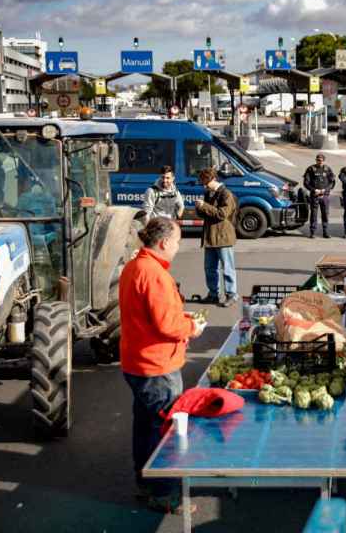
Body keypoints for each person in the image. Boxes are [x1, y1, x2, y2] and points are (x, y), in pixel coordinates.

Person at [120, 217, 207, 514]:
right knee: (166, 428)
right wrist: (191, 327)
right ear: (164, 243)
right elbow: (166, 324)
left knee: (144, 425)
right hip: (156, 364)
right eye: (178, 241)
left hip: (136, 361)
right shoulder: (154, 274)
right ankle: (165, 494)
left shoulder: (134, 267)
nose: (179, 246)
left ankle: (145, 482)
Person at [195, 168, 238, 307]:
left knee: (227, 268)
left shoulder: (226, 194)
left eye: (205, 183)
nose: (204, 186)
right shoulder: (209, 193)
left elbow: (222, 214)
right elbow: (206, 214)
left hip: (223, 237)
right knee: (210, 268)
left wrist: (205, 206)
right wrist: (199, 208)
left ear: (213, 179)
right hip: (210, 237)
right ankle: (213, 294)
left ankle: (231, 294)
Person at [303, 153, 335, 238]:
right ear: (316, 160)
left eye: (321, 160)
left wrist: (325, 190)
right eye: (318, 160)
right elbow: (306, 183)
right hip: (315, 195)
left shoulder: (327, 169)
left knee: (325, 214)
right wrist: (314, 190)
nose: (319, 162)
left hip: (324, 195)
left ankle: (325, 232)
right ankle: (312, 232)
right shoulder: (311, 169)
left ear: (324, 161)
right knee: (313, 215)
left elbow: (332, 183)